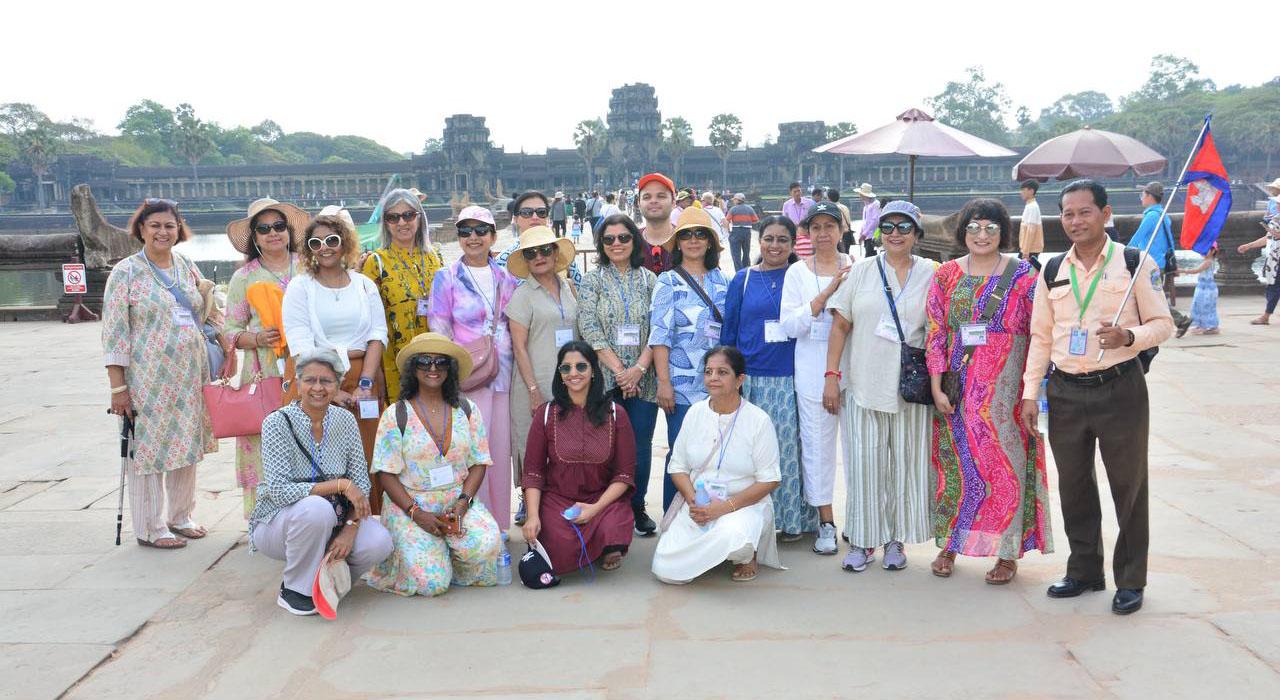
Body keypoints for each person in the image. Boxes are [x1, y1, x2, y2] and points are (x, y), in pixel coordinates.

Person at [1019, 179, 1174, 615]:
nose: (1075, 221)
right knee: (1074, 485)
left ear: (1105, 215)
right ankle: (1084, 570)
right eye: (1067, 213)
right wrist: (1032, 392)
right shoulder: (1051, 270)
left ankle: (1130, 579)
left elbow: (1164, 324)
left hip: (1119, 387)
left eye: (1084, 212)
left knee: (1129, 486)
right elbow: (1040, 337)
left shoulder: (1132, 263)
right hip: (1066, 390)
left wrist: (1129, 335)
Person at [925, 198, 1053, 584]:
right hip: (957, 392)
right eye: (974, 227)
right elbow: (935, 333)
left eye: (991, 228)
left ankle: (1007, 553)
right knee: (957, 471)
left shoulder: (1024, 276)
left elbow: (1040, 335)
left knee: (1006, 474)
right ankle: (950, 544)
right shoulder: (945, 275)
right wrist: (936, 383)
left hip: (1006, 397)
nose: (982, 235)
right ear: (963, 232)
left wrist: (1032, 391)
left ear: (1003, 233)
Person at [823, 200, 937, 573]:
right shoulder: (861, 272)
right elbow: (840, 325)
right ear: (878, 233)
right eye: (887, 227)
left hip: (911, 389)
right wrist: (831, 376)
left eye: (904, 227)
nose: (895, 234)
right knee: (864, 466)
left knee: (905, 467)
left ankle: (895, 540)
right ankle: (861, 540)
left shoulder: (933, 273)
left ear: (917, 235)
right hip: (863, 382)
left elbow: (941, 330)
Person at [103, 199, 221, 549]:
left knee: (187, 445)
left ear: (178, 229)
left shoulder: (186, 265)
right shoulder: (125, 272)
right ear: (141, 228)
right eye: (154, 225)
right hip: (146, 381)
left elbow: (207, 309)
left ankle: (180, 515)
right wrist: (118, 388)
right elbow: (114, 334)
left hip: (189, 377)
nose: (162, 232)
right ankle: (151, 527)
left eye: (169, 225)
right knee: (148, 451)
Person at [250, 349, 393, 615]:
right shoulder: (276, 423)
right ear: (297, 384)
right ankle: (295, 589)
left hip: (335, 520)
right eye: (310, 380)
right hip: (279, 525)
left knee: (379, 542)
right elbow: (279, 491)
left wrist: (351, 528)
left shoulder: (345, 420)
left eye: (326, 381)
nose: (318, 388)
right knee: (316, 509)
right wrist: (339, 485)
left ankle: (327, 578)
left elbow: (361, 481)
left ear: (338, 386)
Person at [367, 333, 501, 596]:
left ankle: (447, 556)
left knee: (487, 543)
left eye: (441, 362)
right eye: (424, 362)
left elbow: (479, 462)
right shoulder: (396, 414)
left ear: (450, 369)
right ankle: (428, 558)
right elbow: (385, 474)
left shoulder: (467, 409)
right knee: (433, 584)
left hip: (456, 502)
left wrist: (463, 503)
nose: (432, 368)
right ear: (412, 369)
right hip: (410, 504)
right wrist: (417, 513)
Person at [721, 213, 817, 543]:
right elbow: (729, 333)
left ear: (793, 244)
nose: (775, 246)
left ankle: (793, 520)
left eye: (783, 240)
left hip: (789, 377)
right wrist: (728, 379)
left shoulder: (803, 277)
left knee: (788, 452)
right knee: (750, 455)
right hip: (750, 380)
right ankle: (754, 520)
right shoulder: (743, 279)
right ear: (759, 241)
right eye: (769, 239)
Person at [651, 346, 782, 584]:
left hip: (743, 504)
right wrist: (695, 501)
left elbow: (769, 479)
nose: (713, 378)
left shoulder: (758, 420)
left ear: (739, 379)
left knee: (734, 535)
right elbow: (677, 467)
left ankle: (744, 555)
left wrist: (722, 508)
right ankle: (711, 552)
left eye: (722, 372)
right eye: (709, 371)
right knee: (665, 569)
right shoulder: (695, 413)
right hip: (699, 503)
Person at [427, 205, 518, 529]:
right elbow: (439, 329)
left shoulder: (507, 279)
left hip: (503, 376)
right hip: (465, 379)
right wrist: (445, 378)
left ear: (493, 236)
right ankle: (471, 523)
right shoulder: (447, 277)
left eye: (481, 231)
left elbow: (517, 327)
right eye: (465, 231)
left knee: (497, 452)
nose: (473, 238)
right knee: (468, 454)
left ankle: (500, 527)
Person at [282, 212, 388, 484]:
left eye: (331, 239)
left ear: (345, 243)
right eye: (315, 243)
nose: (324, 247)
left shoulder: (365, 285)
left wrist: (364, 383)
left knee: (367, 453)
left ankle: (366, 519)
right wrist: (333, 390)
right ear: (309, 250)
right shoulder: (300, 287)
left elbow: (377, 335)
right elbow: (300, 343)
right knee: (317, 458)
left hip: (362, 378)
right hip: (313, 381)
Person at [223, 197, 310, 517]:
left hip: (307, 368)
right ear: (255, 237)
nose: (273, 233)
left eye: (278, 226)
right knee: (261, 443)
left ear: (288, 231)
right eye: (264, 229)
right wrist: (257, 337)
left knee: (308, 438)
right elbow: (229, 330)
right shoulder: (244, 277)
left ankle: (308, 512)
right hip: (264, 370)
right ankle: (262, 516)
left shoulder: (308, 265)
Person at [576, 213, 660, 536]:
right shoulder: (592, 281)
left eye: (623, 237)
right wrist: (620, 371)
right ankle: (610, 510)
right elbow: (590, 328)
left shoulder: (651, 280)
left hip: (644, 378)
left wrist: (638, 369)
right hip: (607, 379)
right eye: (609, 239)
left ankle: (637, 506)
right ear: (601, 244)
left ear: (634, 240)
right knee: (606, 448)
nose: (616, 244)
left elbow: (658, 329)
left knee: (640, 445)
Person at [522, 342, 637, 574]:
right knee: (557, 544)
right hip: (558, 499)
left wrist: (594, 509)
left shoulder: (616, 414)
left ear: (594, 370)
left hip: (602, 500)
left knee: (614, 525)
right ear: (560, 374)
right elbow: (533, 473)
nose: (573, 373)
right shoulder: (546, 414)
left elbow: (624, 475)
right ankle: (590, 546)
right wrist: (532, 516)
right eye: (566, 368)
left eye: (581, 367)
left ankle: (606, 544)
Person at [780, 207, 851, 555]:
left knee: (857, 450)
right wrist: (824, 296)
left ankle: (860, 519)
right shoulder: (797, 272)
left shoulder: (857, 266)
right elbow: (790, 325)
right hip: (810, 371)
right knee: (817, 448)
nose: (823, 233)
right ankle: (825, 520)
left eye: (830, 226)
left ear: (842, 229)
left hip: (853, 371)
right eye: (816, 227)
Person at [650, 207, 730, 512]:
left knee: (714, 453)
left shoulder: (722, 280)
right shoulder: (667, 282)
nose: (693, 240)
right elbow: (660, 336)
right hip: (681, 385)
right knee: (681, 454)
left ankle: (708, 513)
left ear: (709, 241)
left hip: (717, 385)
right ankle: (674, 520)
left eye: (700, 234)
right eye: (686, 235)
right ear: (678, 243)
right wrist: (664, 383)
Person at [506, 225, 579, 525]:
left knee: (566, 441)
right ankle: (528, 499)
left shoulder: (569, 287)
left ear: (555, 253)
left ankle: (559, 496)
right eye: (531, 253)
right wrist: (533, 387)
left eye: (545, 250)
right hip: (532, 380)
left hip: (569, 379)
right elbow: (519, 347)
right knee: (531, 442)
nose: (539, 257)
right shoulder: (523, 295)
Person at [361, 188, 444, 403]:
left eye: (408, 215)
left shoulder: (436, 258)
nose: (402, 223)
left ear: (419, 217)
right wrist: (374, 371)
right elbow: (368, 321)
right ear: (385, 223)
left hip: (435, 358)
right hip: (394, 361)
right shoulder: (376, 263)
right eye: (393, 217)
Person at [1127, 182, 1190, 337]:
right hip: (1159, 262)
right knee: (1153, 296)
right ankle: (1179, 321)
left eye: (1142, 195)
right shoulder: (1163, 215)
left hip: (1148, 264)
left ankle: (1180, 320)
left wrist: (1121, 253)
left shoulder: (1151, 216)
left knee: (1152, 297)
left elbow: (1136, 238)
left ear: (1149, 196)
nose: (1141, 198)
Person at [496, 191, 583, 287]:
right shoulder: (502, 262)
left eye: (541, 212)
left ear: (547, 217)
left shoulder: (562, 253)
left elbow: (580, 293)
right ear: (516, 219)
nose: (535, 217)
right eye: (526, 212)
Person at [1237, 216, 1280, 325]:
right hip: (1274, 259)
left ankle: (1266, 316)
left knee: (1274, 288)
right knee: (1273, 288)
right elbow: (1268, 238)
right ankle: (1266, 316)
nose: (1277, 206)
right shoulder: (1275, 219)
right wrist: (1249, 245)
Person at [636, 172, 679, 274]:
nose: (653, 201)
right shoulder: (629, 241)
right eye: (647, 197)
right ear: (639, 203)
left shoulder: (688, 239)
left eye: (661, 196)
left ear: (673, 202)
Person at [1179, 245, 1220, 335]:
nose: (1203, 252)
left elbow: (1196, 270)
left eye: (1206, 250)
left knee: (1206, 307)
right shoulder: (1207, 261)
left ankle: (1211, 326)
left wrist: (1182, 270)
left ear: (1213, 251)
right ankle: (1201, 325)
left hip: (1207, 289)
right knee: (1198, 305)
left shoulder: (1208, 261)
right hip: (1202, 287)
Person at [725, 192, 759, 270]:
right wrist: (747, 222)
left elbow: (727, 221)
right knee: (746, 253)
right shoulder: (750, 208)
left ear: (737, 200)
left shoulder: (733, 209)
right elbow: (755, 220)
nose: (733, 201)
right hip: (747, 231)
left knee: (736, 254)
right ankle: (746, 269)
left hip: (736, 231)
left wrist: (728, 231)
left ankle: (738, 271)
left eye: (734, 199)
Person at [783, 182, 815, 258]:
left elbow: (814, 218)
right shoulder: (787, 205)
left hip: (807, 233)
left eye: (799, 191)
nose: (797, 193)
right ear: (791, 193)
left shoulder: (810, 203)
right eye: (795, 192)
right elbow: (785, 221)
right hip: (794, 233)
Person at [1018, 179, 1044, 270]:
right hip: (1029, 249)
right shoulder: (1030, 205)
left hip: (1030, 250)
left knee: (1026, 273)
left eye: (1023, 190)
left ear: (1031, 191)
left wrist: (1026, 251)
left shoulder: (1032, 207)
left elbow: (1031, 230)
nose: (1020, 193)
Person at [855, 183, 881, 259]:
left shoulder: (875, 204)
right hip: (867, 236)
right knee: (868, 256)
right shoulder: (866, 205)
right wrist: (861, 234)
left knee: (870, 256)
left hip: (874, 235)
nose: (860, 196)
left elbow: (875, 221)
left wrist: (864, 234)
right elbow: (865, 222)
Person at [826, 188, 855, 255]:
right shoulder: (845, 207)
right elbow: (849, 222)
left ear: (829, 198)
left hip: (838, 236)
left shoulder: (832, 208)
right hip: (847, 234)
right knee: (846, 256)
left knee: (837, 257)